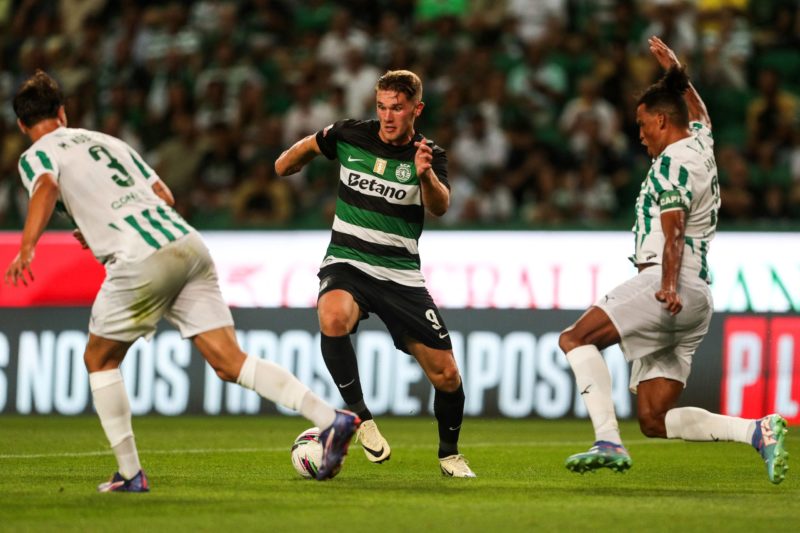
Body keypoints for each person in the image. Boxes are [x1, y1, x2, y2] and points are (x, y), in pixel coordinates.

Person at [5, 70, 360, 491]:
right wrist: (100, 218)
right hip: (187, 243)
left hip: (141, 257)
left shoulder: (36, 154)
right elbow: (164, 196)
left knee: (99, 360)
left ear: (22, 125)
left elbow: (45, 185)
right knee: (232, 362)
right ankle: (330, 419)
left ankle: (131, 474)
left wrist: (29, 244)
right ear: (63, 112)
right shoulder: (108, 142)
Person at [558, 37, 789, 484]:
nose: (640, 134)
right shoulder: (700, 145)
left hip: (669, 284)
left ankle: (606, 438)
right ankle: (755, 431)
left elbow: (674, 227)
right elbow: (701, 114)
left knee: (575, 339)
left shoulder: (672, 164)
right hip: (699, 296)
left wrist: (666, 284)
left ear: (662, 121)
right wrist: (679, 72)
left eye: (643, 124)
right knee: (653, 418)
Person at [275, 70, 475, 478]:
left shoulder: (429, 153)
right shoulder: (350, 134)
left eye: (397, 108)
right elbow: (303, 150)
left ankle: (449, 455)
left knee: (447, 375)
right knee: (332, 316)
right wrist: (290, 162)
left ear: (416, 109)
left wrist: (425, 176)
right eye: (382, 107)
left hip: (400, 275)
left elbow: (439, 206)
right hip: (347, 261)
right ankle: (359, 417)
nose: (387, 116)